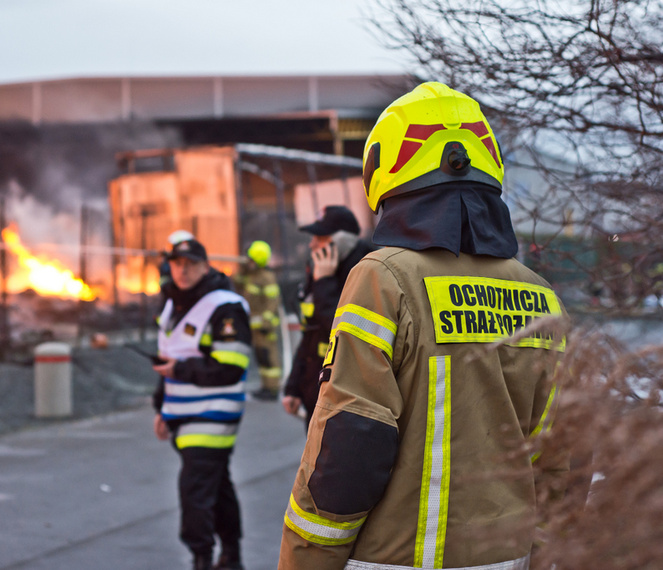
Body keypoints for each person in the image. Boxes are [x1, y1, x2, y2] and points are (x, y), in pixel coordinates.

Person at [279, 82, 569, 569]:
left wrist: (303, 560)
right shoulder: (542, 297)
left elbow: (350, 447)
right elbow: (561, 456)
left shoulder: (383, 278)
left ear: (386, 170)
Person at [151, 237, 253, 570]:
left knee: (194, 489)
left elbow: (231, 367)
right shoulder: (172, 304)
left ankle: (201, 558)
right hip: (182, 412)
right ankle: (231, 555)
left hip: (213, 414)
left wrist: (179, 370)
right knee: (217, 485)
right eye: (177, 263)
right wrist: (161, 408)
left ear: (205, 265)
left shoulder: (225, 306)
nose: (182, 270)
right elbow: (170, 358)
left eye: (190, 263)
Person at [281, 205, 372, 430]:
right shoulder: (323, 269)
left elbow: (341, 329)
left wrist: (324, 283)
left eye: (321, 238)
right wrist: (294, 387)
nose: (312, 244)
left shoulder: (367, 270)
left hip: (348, 401)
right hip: (316, 393)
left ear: (342, 240)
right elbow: (310, 335)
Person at [235, 240, 283, 401]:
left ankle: (272, 388)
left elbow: (273, 302)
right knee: (261, 357)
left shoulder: (266, 277)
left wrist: (266, 322)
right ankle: (266, 387)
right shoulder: (251, 276)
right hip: (254, 326)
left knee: (269, 357)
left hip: (264, 327)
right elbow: (237, 283)